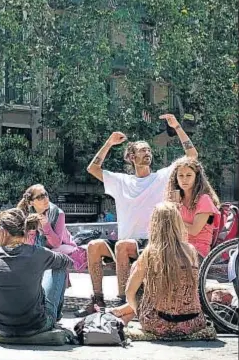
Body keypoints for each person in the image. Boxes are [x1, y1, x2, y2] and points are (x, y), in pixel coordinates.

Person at [77, 113, 198, 315]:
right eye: (142, 151)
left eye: (149, 150)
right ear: (132, 157)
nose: (148, 153)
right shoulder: (120, 181)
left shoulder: (161, 177)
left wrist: (177, 127)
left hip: (152, 243)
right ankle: (97, 300)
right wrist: (109, 143)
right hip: (125, 244)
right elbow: (93, 168)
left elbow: (192, 156)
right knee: (93, 246)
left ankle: (124, 302)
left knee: (123, 246)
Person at [111, 202, 207, 337]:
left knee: (138, 275)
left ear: (154, 224)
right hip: (193, 323)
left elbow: (129, 292)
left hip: (160, 324)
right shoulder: (190, 250)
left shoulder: (150, 253)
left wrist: (138, 311)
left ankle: (122, 316)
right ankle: (122, 315)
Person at [0, 208, 73, 337]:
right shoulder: (38, 253)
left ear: (3, 231)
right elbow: (68, 262)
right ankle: (55, 316)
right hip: (35, 326)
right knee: (59, 268)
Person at [18, 184, 87, 273]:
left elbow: (56, 244)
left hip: (64, 248)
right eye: (40, 197)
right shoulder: (26, 215)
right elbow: (28, 244)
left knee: (51, 254)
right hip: (40, 250)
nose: (46, 199)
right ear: (31, 202)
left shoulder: (57, 213)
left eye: (45, 194)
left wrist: (46, 225)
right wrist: (32, 227)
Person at [166, 157, 220, 260]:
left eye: (189, 175)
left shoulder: (204, 200)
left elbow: (194, 230)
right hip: (178, 246)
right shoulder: (177, 199)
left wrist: (172, 219)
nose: (184, 179)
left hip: (197, 251)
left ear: (196, 177)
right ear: (175, 178)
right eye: (180, 175)